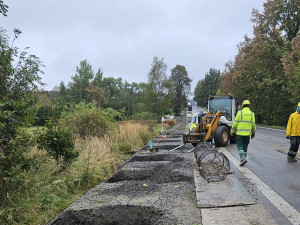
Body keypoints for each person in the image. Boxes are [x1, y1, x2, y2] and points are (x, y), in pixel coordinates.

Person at [230, 100, 256, 166]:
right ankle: (243, 159)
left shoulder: (240, 113)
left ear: (243, 106)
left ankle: (243, 158)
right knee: (245, 146)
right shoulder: (252, 114)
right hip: (247, 134)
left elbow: (235, 123)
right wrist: (253, 133)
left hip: (239, 134)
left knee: (239, 146)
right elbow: (253, 125)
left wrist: (232, 131)